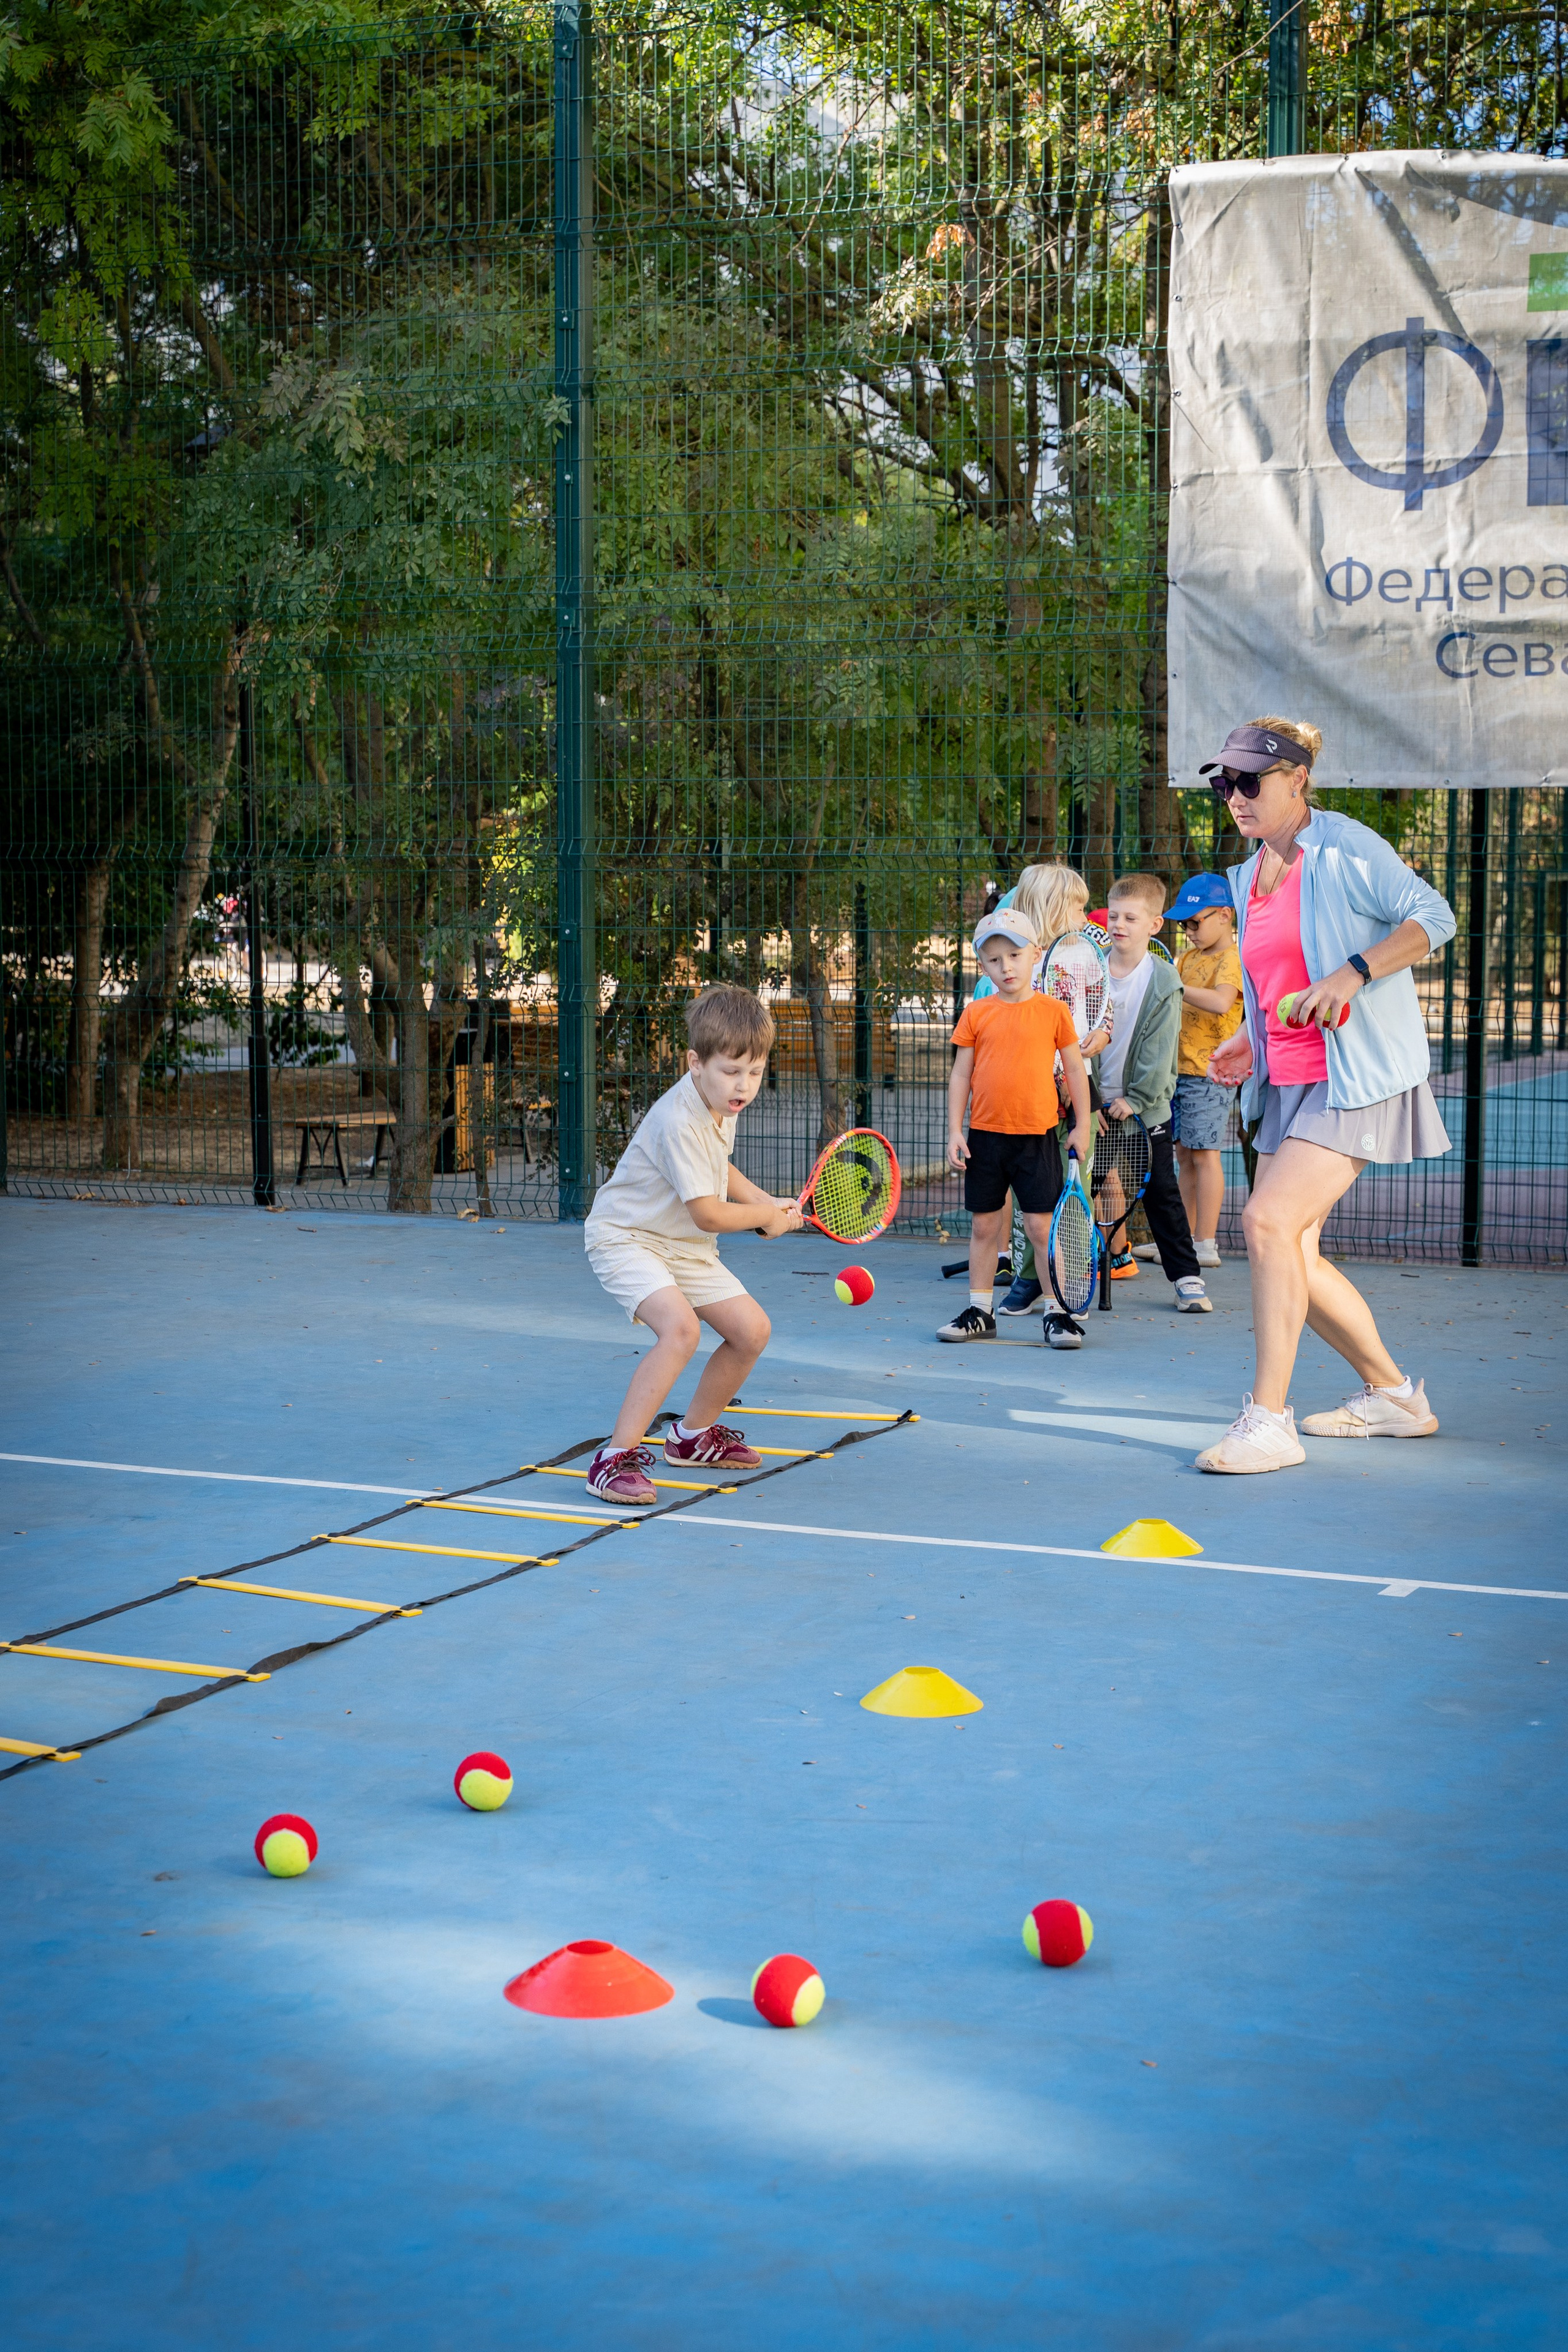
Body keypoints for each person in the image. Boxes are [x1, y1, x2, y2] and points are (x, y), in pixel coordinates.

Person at [1195, 718, 1455, 1474]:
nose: (1234, 797)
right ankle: (1394, 1396)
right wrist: (1251, 1036)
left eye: (1250, 781)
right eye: (1225, 783)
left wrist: (1352, 973)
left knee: (1268, 1221)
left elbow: (1434, 917)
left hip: (1357, 1073)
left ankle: (1268, 1421)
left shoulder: (1345, 847)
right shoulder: (1247, 876)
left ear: (1297, 779)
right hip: (1289, 1077)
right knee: (1294, 1251)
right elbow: (1271, 974)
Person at [582, 984, 804, 1504]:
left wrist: (768, 1203)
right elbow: (707, 1212)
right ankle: (613, 1459)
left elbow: (718, 1170)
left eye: (755, 1072)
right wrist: (765, 1217)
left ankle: (690, 1438)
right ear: (695, 1063)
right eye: (732, 1071)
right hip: (627, 1238)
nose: (744, 1085)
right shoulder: (679, 1119)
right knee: (679, 1332)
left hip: (683, 1247)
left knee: (751, 1331)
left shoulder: (718, 1104)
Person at [938, 908, 1091, 1344]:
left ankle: (1057, 1312)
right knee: (986, 1227)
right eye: (993, 959)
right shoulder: (976, 1013)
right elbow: (960, 1076)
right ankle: (981, 1312)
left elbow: (1077, 1073)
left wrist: (1080, 1126)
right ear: (982, 966)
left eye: (1015, 955)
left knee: (1042, 1228)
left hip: (1037, 1139)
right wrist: (955, 1130)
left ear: (1036, 956)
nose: (1005, 967)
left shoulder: (1054, 1012)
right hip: (985, 1138)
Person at [972, 862, 1112, 1338]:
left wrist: (1102, 1034)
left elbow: (1101, 1005)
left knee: (1073, 1184)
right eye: (1077, 906)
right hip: (1026, 1095)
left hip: (1073, 1089)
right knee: (1033, 1194)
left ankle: (1071, 1283)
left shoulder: (1086, 954)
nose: (1086, 914)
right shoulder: (1011, 968)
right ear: (1054, 908)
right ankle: (1032, 1278)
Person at [1096, 873, 1211, 1311]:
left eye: (1131, 917)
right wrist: (1087, 1097)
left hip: (1146, 1109)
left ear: (1155, 925)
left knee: (1162, 1192)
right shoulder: (1091, 968)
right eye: (1114, 914)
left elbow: (1160, 1051)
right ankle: (1049, 1280)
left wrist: (1137, 1101)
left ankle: (1186, 1278)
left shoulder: (1164, 980)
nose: (1118, 924)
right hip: (1095, 1106)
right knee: (1073, 1189)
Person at [1167, 872, 1243, 1268]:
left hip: (1210, 1073)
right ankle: (1185, 1241)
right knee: (1185, 1155)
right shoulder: (1188, 958)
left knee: (1206, 1155)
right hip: (1179, 1071)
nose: (1190, 931)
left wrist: (1172, 985)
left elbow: (1220, 1002)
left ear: (1225, 916)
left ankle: (1206, 1243)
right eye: (1185, 925)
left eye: (1195, 922)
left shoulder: (1232, 959)